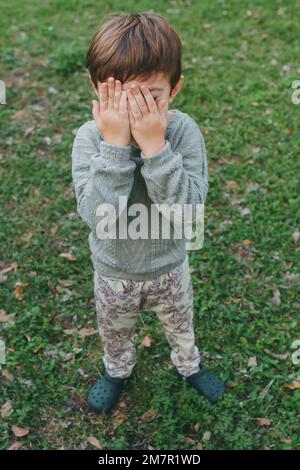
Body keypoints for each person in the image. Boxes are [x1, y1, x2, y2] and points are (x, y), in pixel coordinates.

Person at [71, 11, 225, 413]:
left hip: (169, 266)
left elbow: (189, 216)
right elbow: (98, 216)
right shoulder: (89, 138)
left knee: (180, 325)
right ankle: (117, 370)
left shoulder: (183, 132)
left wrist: (156, 148)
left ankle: (188, 365)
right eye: (122, 96)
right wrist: (115, 147)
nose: (137, 110)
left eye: (151, 96)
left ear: (175, 89)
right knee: (115, 331)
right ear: (96, 89)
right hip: (113, 271)